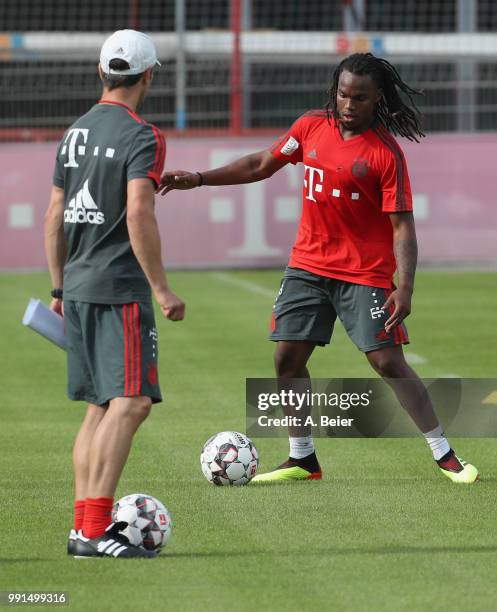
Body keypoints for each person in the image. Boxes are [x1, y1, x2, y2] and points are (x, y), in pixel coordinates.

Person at [157, 52, 478, 485]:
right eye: (343, 94)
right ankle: (302, 459)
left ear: (377, 98)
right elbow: (260, 165)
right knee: (286, 358)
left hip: (364, 273)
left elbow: (402, 227)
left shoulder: (385, 155)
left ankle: (445, 455)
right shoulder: (310, 126)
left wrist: (405, 286)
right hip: (307, 266)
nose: (349, 104)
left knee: (387, 361)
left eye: (360, 98)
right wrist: (198, 178)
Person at [44, 29, 185, 558]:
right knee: (132, 403)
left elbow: (55, 213)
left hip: (78, 284)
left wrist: (59, 285)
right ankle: (97, 530)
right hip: (118, 287)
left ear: (101, 74)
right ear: (148, 76)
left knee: (100, 407)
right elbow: (138, 212)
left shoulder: (74, 132)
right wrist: (162, 288)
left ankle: (83, 527)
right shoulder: (141, 134)